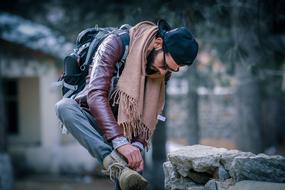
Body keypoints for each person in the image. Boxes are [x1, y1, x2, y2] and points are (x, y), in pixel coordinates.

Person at [55, 19, 198, 190]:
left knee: (131, 181)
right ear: (158, 43)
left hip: (128, 127)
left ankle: (122, 171)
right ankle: (112, 163)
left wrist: (137, 144)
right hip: (95, 117)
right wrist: (120, 142)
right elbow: (95, 95)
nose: (163, 72)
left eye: (171, 70)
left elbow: (149, 110)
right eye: (164, 65)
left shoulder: (163, 65)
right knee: (64, 107)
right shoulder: (115, 44)